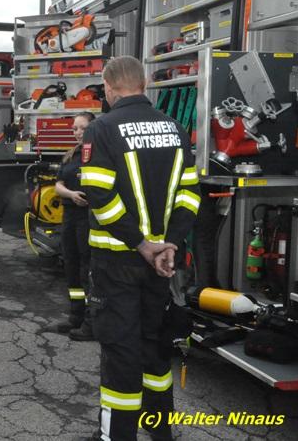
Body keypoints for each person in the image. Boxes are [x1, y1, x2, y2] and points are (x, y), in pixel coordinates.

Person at [80, 56, 200, 441]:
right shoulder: (175, 128)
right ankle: (160, 431)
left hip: (117, 262)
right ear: (144, 84)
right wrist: (169, 244)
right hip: (160, 263)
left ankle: (117, 435)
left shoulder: (101, 128)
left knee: (120, 352)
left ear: (109, 87)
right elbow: (189, 194)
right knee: (154, 346)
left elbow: (100, 196)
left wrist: (140, 243)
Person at [53, 112, 96, 342]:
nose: (78, 133)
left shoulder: (99, 154)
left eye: (82, 128)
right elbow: (58, 185)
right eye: (75, 129)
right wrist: (71, 194)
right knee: (71, 264)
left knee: (87, 267)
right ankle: (76, 316)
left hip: (88, 217)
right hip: (70, 215)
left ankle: (92, 320)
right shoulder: (71, 155)